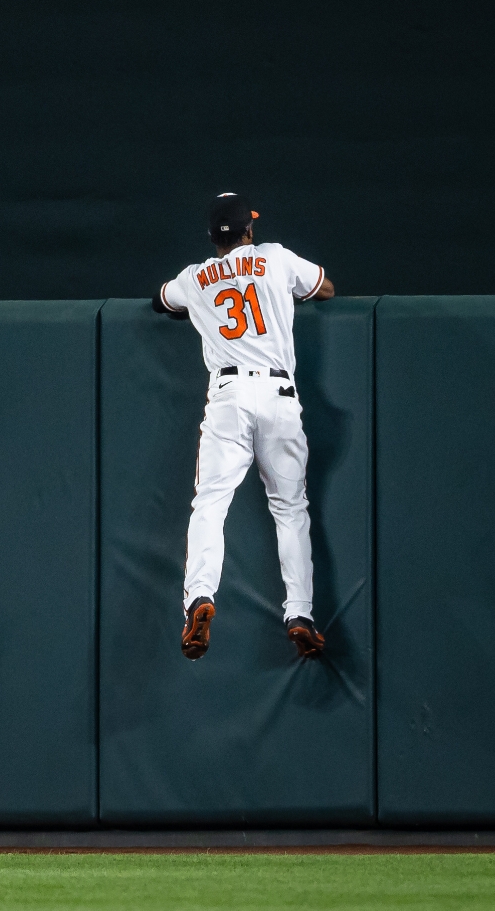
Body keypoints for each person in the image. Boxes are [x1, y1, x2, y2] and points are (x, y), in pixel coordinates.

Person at [151, 193, 336, 661]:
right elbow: (325, 288)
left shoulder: (195, 278)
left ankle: (199, 599)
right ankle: (299, 614)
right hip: (278, 397)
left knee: (210, 504)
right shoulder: (275, 258)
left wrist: (200, 297)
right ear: (249, 231)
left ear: (214, 237)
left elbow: (161, 301)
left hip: (228, 399)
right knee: (290, 509)